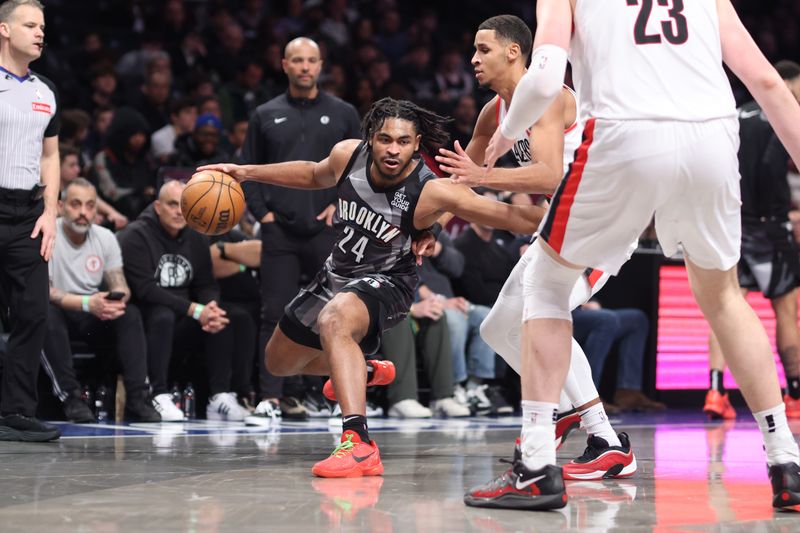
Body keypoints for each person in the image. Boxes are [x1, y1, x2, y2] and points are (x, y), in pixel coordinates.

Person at [470, 0, 800, 511]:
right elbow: (768, 82)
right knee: (724, 298)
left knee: (545, 284)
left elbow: (544, 75)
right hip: (712, 135)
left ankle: (536, 465)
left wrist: (506, 136)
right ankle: (786, 462)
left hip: (624, 132)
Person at [198, 96, 543, 478]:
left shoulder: (430, 189)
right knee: (278, 361)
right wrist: (246, 172)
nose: (393, 149)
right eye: (384, 139)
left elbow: (514, 217)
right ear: (370, 139)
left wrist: (565, 200)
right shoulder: (348, 156)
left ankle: (358, 442)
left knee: (334, 319)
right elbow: (313, 174)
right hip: (336, 274)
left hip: (389, 282)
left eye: (403, 142)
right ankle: (364, 370)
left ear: (416, 146)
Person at [435, 15, 634, 481]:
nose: (473, 59)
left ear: (513, 52)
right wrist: (433, 227)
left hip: (601, 218)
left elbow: (548, 175)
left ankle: (604, 438)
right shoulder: (493, 112)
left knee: (546, 314)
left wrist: (484, 178)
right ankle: (563, 410)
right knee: (497, 329)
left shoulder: (546, 95)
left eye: (483, 49)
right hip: (563, 223)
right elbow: (462, 180)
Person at [240, 37, 361, 422]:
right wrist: (264, 216)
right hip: (280, 232)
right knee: (274, 312)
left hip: (329, 228)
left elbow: (359, 170)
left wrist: (340, 207)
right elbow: (251, 167)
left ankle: (330, 396)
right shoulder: (264, 113)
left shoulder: (343, 112)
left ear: (321, 65)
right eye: (297, 60)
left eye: (311, 60)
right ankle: (272, 399)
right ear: (284, 65)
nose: (305, 67)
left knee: (335, 314)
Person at [705, 61, 800, 421]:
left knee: (725, 310)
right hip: (769, 225)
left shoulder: (735, 114)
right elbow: (771, 168)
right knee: (786, 312)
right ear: (788, 82)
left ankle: (716, 392)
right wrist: (781, 213)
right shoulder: (779, 115)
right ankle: (794, 393)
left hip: (731, 222)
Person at [117, 180, 254, 422]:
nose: (179, 211)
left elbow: (206, 283)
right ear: (158, 207)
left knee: (228, 316)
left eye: (184, 205)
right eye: (172, 205)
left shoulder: (196, 236)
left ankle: (221, 396)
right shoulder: (135, 235)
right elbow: (145, 289)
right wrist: (194, 309)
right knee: (162, 315)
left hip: (187, 315)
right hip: (148, 315)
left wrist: (209, 306)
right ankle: (158, 394)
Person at [42, 179, 160, 423]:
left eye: (90, 205)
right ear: (61, 206)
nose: (83, 212)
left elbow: (121, 285)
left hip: (93, 313)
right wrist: (87, 303)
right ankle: (71, 397)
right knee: (44, 311)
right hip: (60, 312)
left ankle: (138, 397)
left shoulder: (105, 237)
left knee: (130, 314)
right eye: (76, 205)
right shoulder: (48, 234)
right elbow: (45, 291)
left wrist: (114, 299)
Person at [0, 0, 61, 442]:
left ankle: (16, 413)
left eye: (42, 26)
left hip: (28, 215)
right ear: (4, 30)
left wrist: (51, 213)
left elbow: (51, 156)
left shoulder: (46, 91)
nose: (39, 32)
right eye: (29, 25)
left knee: (33, 313)